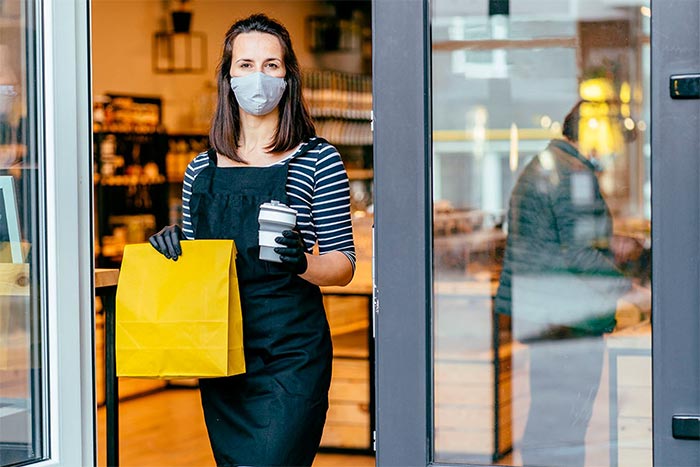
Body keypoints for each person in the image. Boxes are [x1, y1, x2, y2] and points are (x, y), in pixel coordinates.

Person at [148, 13, 355, 466]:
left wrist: (302, 262)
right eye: (244, 64)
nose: (258, 76)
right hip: (223, 352)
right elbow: (198, 272)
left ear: (288, 76)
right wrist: (171, 247)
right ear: (227, 77)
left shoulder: (318, 159)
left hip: (291, 354)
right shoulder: (200, 169)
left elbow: (343, 264)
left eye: (271, 65)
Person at [494, 101, 634, 466]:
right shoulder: (573, 174)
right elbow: (579, 254)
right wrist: (630, 287)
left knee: (549, 418)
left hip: (544, 313)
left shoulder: (546, 164)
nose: (614, 148)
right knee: (567, 425)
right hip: (569, 316)